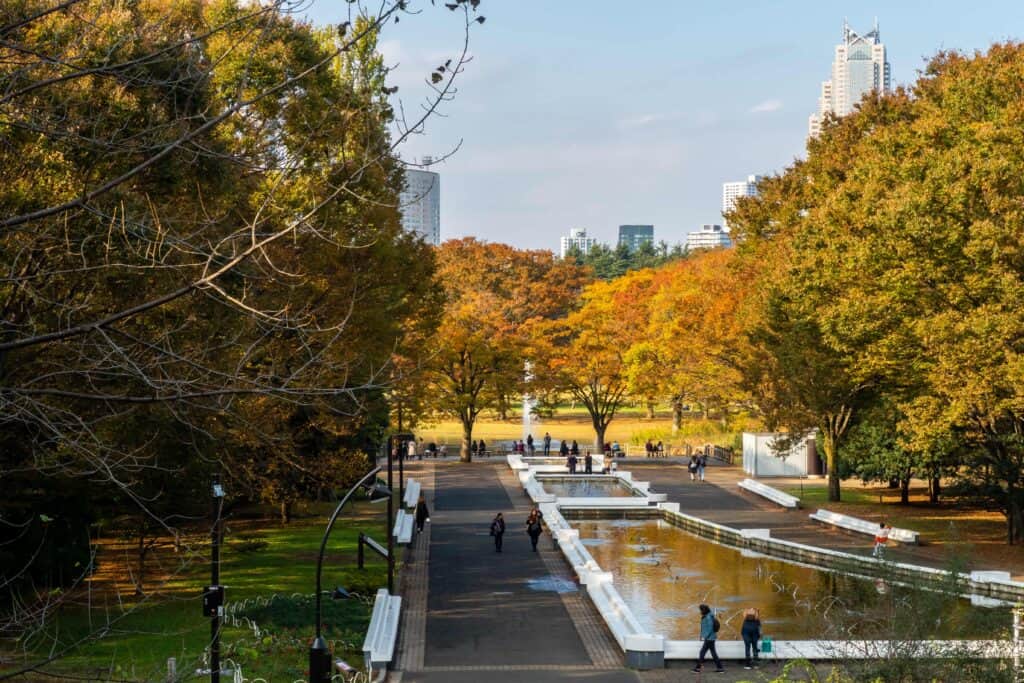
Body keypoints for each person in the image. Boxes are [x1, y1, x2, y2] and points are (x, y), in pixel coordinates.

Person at [692, 603, 724, 673]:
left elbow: (709, 628)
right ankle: (720, 668)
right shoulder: (708, 615)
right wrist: (701, 635)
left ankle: (698, 668)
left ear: (704, 610)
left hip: (709, 638)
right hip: (711, 638)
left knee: (702, 652)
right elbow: (705, 627)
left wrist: (705, 636)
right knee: (713, 653)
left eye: (700, 610)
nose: (700, 611)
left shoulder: (708, 617)